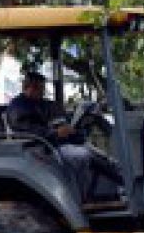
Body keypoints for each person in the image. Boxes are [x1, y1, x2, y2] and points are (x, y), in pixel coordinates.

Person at [7, 72, 121, 202]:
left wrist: (72, 130)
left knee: (98, 155)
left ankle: (113, 187)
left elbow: (54, 121)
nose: (43, 92)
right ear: (30, 87)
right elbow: (27, 130)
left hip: (54, 143)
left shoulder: (41, 104)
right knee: (83, 155)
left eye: (43, 88)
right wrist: (55, 133)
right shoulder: (18, 106)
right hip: (40, 147)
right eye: (40, 89)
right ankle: (85, 196)